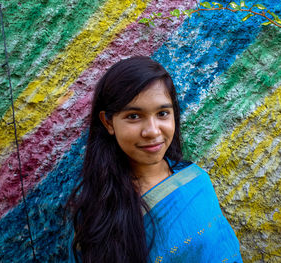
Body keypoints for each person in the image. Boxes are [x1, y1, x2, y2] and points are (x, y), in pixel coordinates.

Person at [68, 56, 242, 263]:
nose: (152, 131)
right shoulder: (98, 214)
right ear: (108, 122)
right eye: (134, 116)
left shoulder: (196, 181)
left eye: (162, 113)